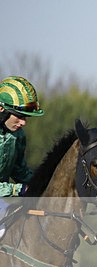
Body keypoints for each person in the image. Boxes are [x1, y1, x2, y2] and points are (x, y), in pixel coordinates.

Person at [0, 76, 44, 238]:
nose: (24, 122)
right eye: (19, 116)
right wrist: (19, 190)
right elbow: (19, 187)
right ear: (1, 110)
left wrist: (41, 183)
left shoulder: (17, 135)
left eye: (25, 117)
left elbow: (19, 171)